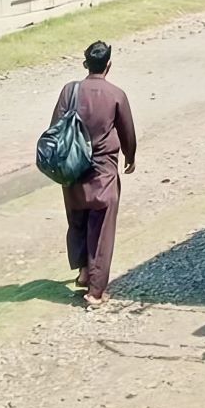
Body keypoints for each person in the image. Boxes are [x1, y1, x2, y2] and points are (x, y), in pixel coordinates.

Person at [53, 41, 137, 307]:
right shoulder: (116, 95)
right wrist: (130, 157)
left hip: (73, 171)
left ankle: (83, 270)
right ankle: (95, 291)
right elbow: (128, 133)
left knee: (78, 220)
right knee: (101, 229)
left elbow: (55, 128)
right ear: (108, 66)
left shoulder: (70, 91)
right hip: (103, 172)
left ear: (85, 63)